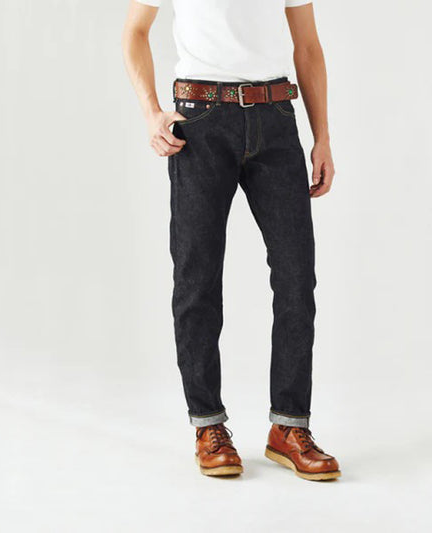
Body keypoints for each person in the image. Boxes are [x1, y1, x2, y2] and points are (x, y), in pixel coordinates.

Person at [122, 0, 340, 481]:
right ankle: (208, 426)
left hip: (275, 117)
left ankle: (289, 427)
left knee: (296, 277)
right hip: (199, 123)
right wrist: (151, 112)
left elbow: (307, 46)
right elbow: (134, 31)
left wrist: (321, 136)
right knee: (197, 279)